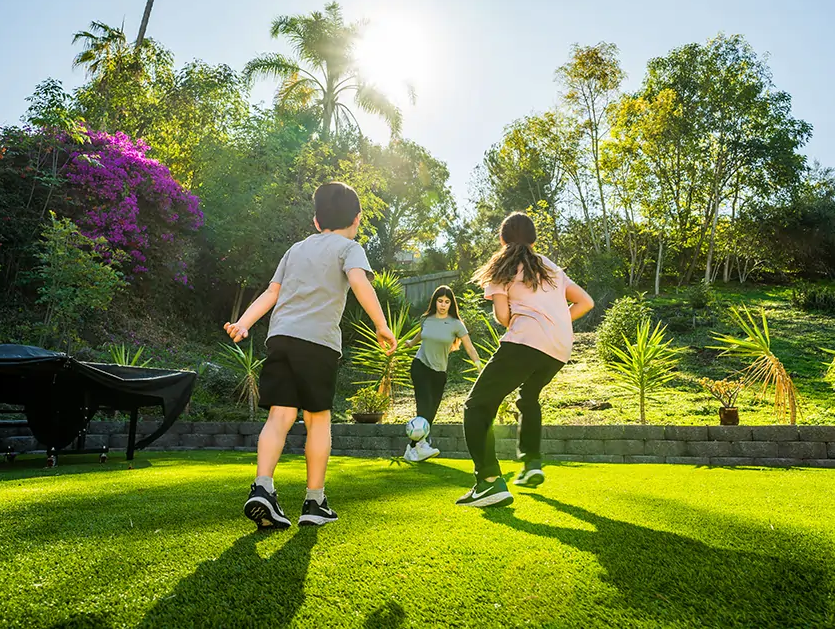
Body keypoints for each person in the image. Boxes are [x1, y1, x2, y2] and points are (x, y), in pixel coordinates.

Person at [224, 181, 397, 528]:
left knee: (280, 416)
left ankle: (263, 487)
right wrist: (381, 324)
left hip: (281, 339)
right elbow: (360, 283)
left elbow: (272, 293)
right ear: (357, 219)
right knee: (318, 420)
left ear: (316, 221)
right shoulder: (349, 248)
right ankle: (314, 502)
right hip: (318, 344)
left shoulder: (295, 250)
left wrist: (243, 323)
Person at [456, 212, 594, 508]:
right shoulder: (551, 267)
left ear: (502, 239)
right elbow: (586, 302)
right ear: (533, 240)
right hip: (558, 349)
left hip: (526, 341)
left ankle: (489, 482)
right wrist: (556, 322)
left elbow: (504, 317)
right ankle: (531, 461)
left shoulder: (502, 266)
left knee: (477, 405)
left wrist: (533, 322)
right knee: (528, 397)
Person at [403, 286, 484, 462]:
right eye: (440, 301)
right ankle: (423, 445)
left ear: (451, 304)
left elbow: (469, 346)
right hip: (421, 365)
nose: (443, 305)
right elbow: (422, 333)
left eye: (447, 302)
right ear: (435, 301)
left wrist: (478, 364)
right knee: (424, 406)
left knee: (431, 410)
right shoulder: (426, 319)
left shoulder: (456, 324)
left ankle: (411, 448)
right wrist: (411, 342)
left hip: (439, 372)